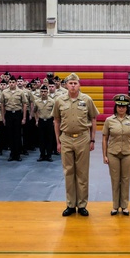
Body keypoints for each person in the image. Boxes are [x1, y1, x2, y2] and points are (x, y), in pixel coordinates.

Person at [54, 73, 99, 217]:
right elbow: (56, 121)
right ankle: (70, 204)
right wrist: (58, 141)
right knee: (68, 172)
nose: (73, 85)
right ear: (66, 85)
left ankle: (82, 205)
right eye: (70, 83)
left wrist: (92, 140)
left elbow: (93, 120)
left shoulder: (87, 100)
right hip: (66, 138)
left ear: (79, 85)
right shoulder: (60, 100)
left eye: (75, 83)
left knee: (82, 173)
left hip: (82, 138)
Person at [102, 94, 130, 216]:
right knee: (115, 180)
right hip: (113, 153)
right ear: (116, 107)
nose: (121, 108)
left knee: (125, 180)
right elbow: (104, 138)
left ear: (127, 107)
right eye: (119, 106)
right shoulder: (109, 120)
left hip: (127, 153)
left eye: (123, 106)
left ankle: (124, 206)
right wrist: (104, 155)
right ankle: (115, 206)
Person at [33, 84, 56, 162]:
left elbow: (55, 112)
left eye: (45, 91)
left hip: (49, 121)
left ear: (48, 92)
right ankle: (42, 155)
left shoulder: (52, 101)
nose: (43, 93)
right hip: (41, 121)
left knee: (49, 139)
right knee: (41, 139)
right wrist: (36, 120)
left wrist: (54, 120)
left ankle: (49, 155)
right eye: (42, 91)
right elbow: (35, 111)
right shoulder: (37, 101)